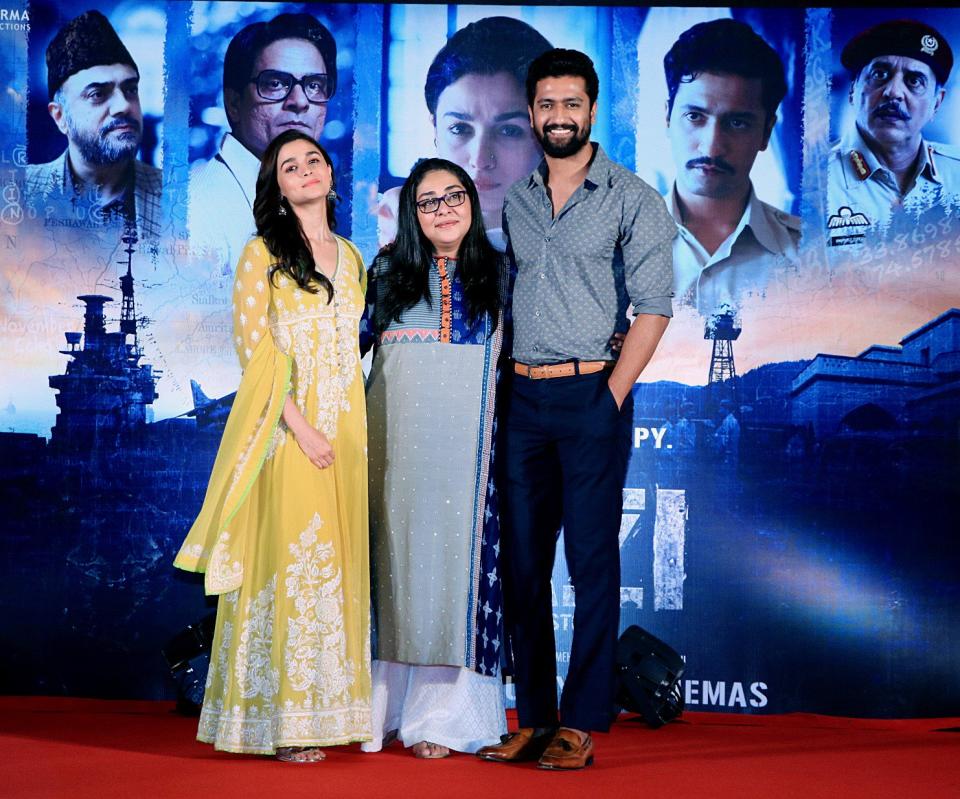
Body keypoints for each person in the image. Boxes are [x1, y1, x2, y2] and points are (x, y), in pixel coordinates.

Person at [477, 49, 675, 770]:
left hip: (594, 393)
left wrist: (612, 395)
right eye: (546, 104)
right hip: (521, 399)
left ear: (591, 110)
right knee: (522, 565)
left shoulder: (631, 197)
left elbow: (654, 305)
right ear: (531, 112)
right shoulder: (518, 197)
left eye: (572, 103)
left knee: (591, 562)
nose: (558, 116)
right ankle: (532, 716)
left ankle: (583, 719)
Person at [174, 129, 370, 761]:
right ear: (277, 187)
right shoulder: (261, 255)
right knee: (294, 567)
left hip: (348, 431)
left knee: (336, 569)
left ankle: (330, 712)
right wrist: (302, 428)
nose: (307, 170)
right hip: (288, 436)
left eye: (314, 160)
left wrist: (341, 431)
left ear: (331, 175)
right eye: (291, 165)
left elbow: (351, 352)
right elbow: (256, 355)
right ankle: (280, 722)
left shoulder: (352, 254)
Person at [360, 158, 507, 759]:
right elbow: (344, 351)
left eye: (455, 196)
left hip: (470, 456)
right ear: (411, 215)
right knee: (393, 573)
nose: (444, 209)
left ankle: (441, 722)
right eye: (428, 201)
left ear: (472, 203)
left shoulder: (500, 274)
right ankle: (379, 712)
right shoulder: (387, 272)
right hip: (391, 450)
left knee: (453, 578)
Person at [663, 19, 799, 315]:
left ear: (765, 133)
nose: (711, 147)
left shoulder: (808, 255)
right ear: (667, 117)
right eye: (695, 117)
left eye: (737, 123)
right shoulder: (611, 251)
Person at [379, 17, 552, 250]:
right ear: (436, 131)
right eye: (459, 129)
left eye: (509, 130)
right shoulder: (390, 221)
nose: (480, 160)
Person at [189, 12, 337, 275]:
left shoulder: (313, 198)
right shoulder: (196, 208)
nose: (300, 101)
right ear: (233, 103)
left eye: (314, 85)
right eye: (276, 83)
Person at [25, 9, 161, 240]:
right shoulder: (16, 194)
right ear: (60, 117)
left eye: (130, 89)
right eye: (98, 94)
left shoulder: (180, 197)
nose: (123, 106)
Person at [827, 19, 960, 230]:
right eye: (879, 75)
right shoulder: (814, 181)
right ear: (853, 90)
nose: (894, 92)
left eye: (914, 81)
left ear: (937, 103)